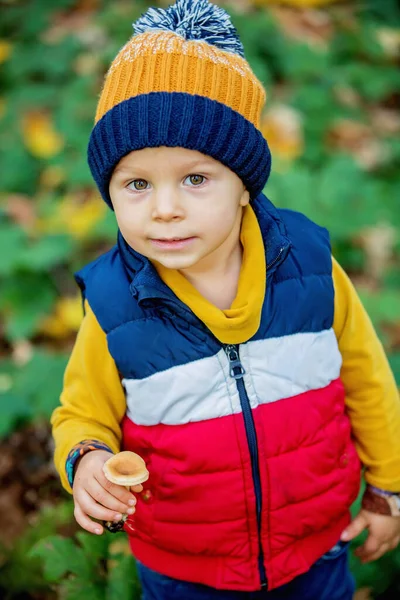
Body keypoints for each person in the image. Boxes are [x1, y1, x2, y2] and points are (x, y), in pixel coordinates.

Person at [51, 1, 400, 598]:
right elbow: (83, 414)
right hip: (186, 567)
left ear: (244, 185)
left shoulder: (311, 272)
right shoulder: (116, 309)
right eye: (137, 184)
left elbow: (368, 380)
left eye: (196, 179)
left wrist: (389, 488)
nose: (165, 208)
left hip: (313, 552)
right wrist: (86, 461)